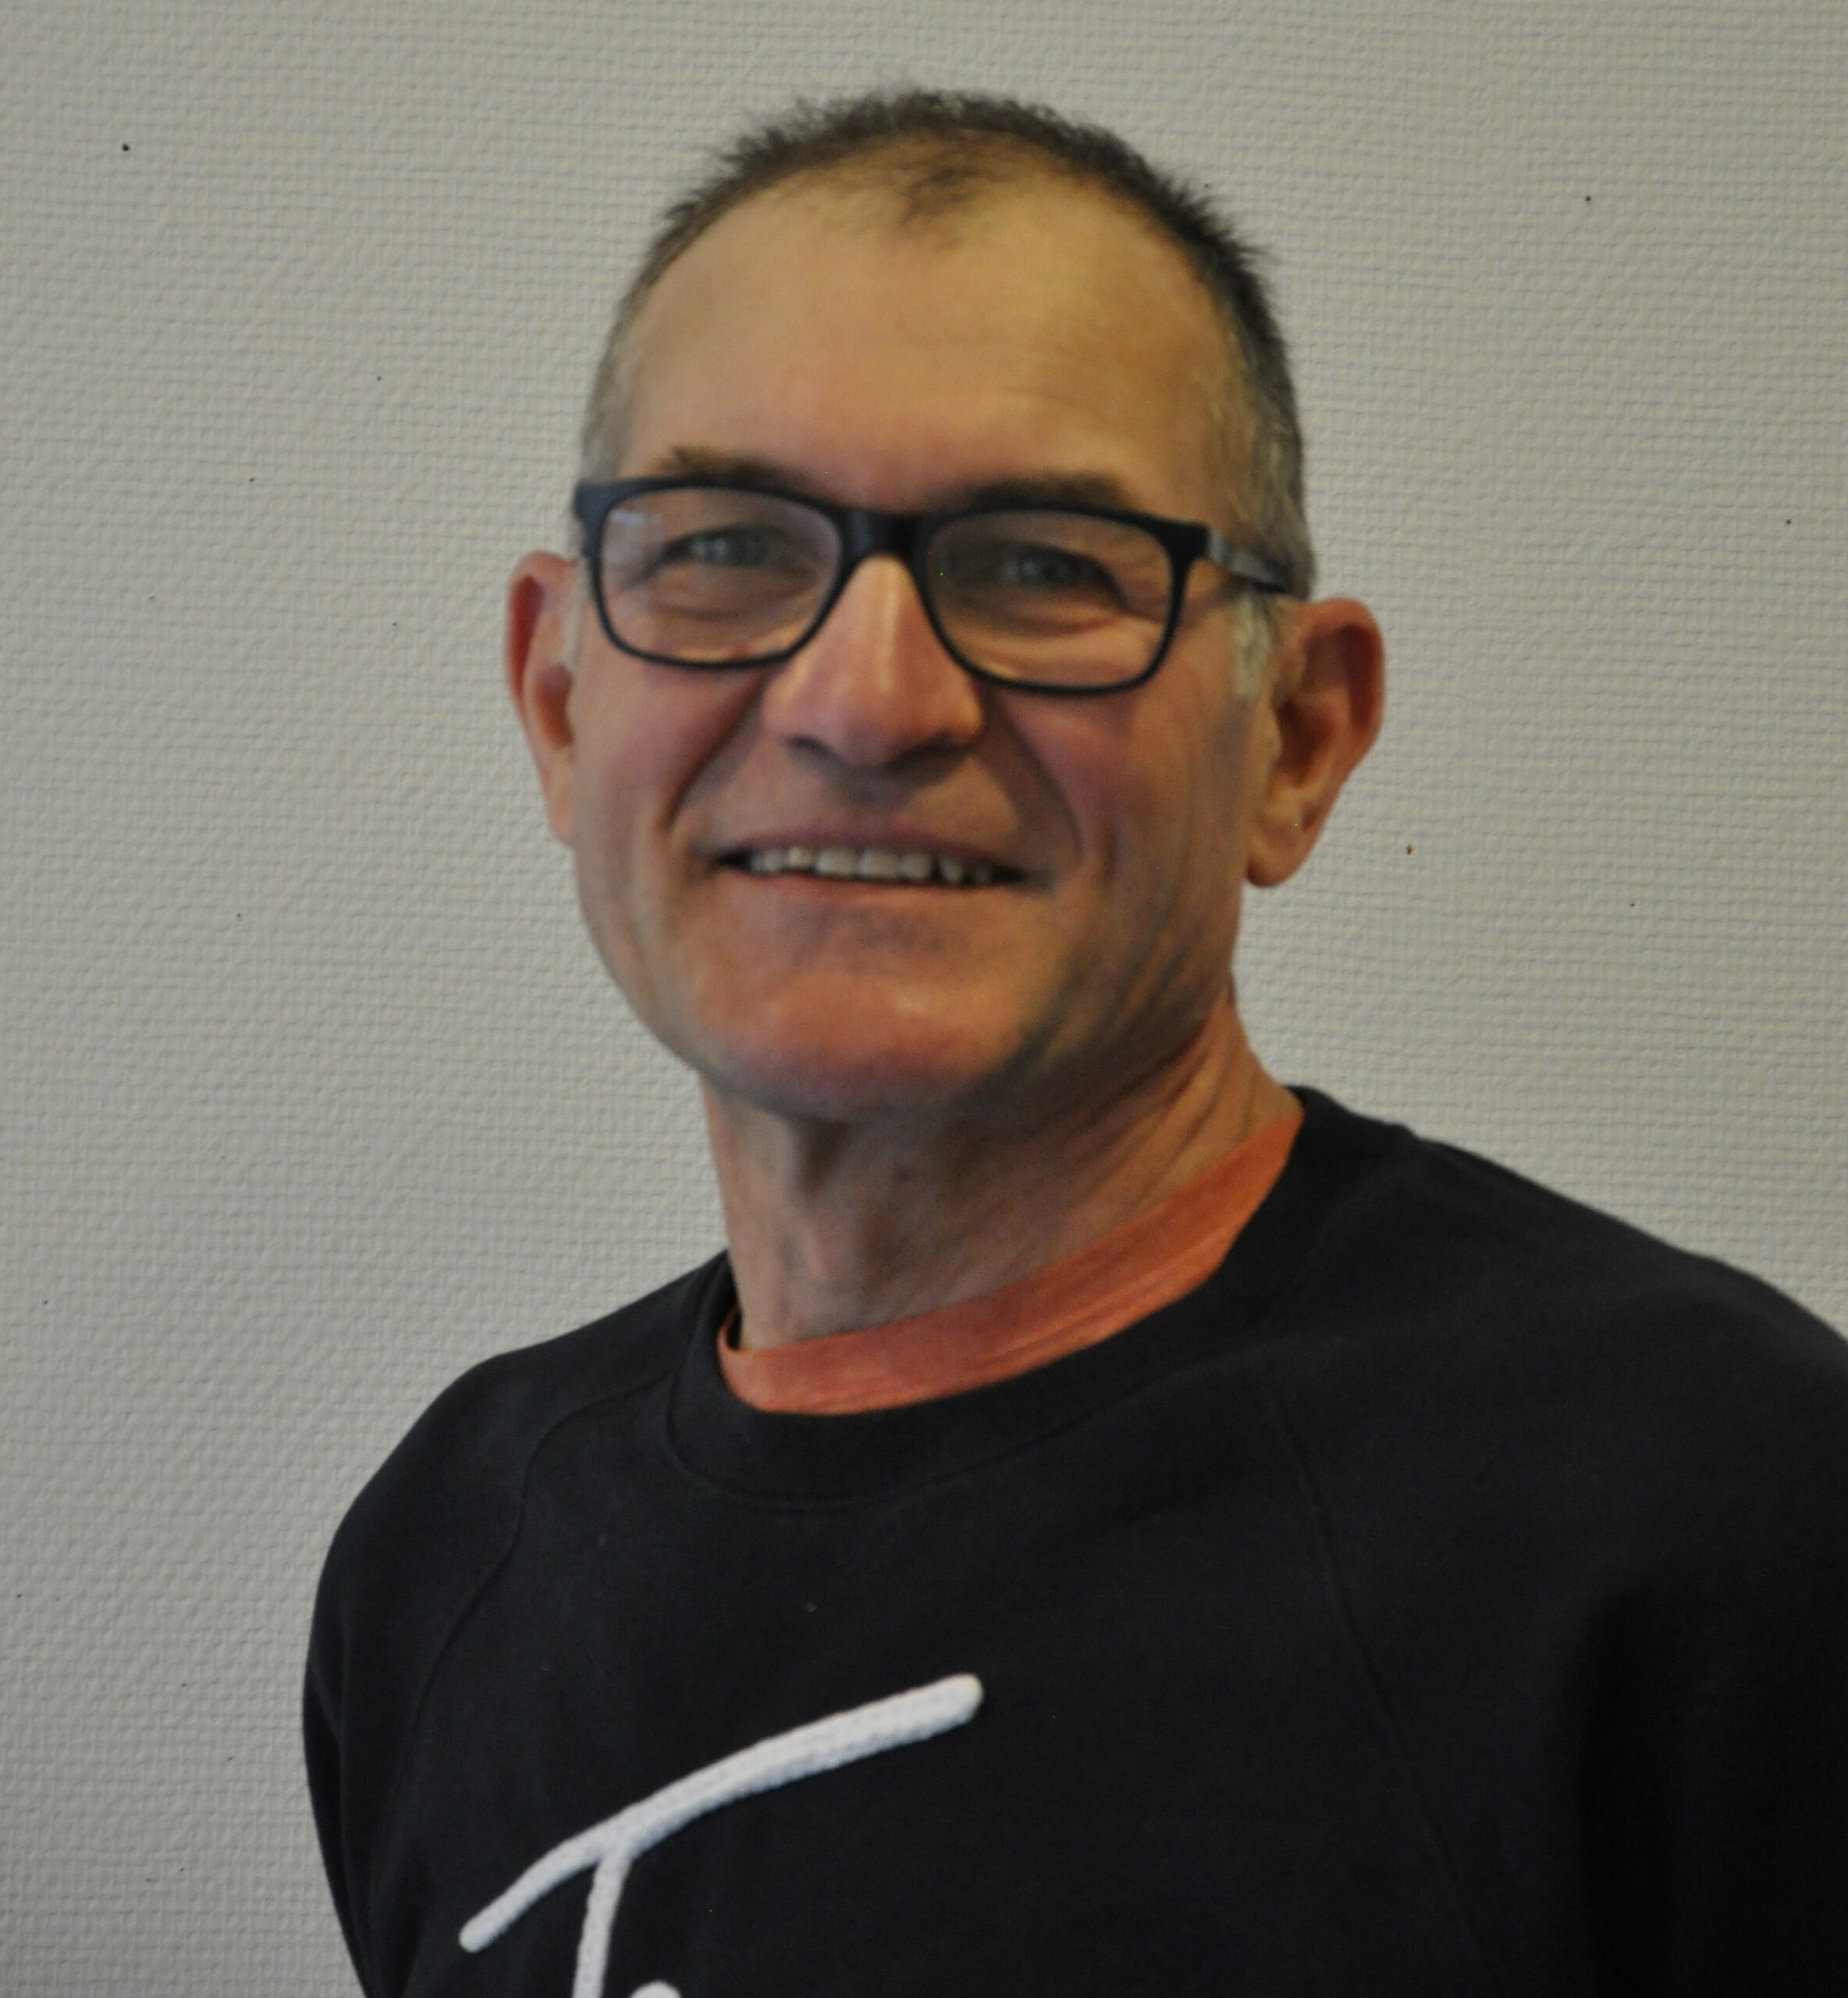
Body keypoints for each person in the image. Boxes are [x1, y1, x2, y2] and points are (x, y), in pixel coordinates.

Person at [304, 91, 1848, 1998]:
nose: (864, 700)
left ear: (1294, 738)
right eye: (724, 547)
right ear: (557, 702)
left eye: (1039, 565)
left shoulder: (1722, 1522)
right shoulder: (446, 1558)